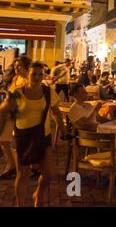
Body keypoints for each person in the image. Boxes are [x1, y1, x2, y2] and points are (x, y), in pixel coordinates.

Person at [0, 62, 66, 207]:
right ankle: (20, 204)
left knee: (48, 174)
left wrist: (64, 131)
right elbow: (3, 112)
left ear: (43, 75)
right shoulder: (18, 93)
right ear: (27, 74)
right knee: (23, 175)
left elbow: (57, 113)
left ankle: (39, 193)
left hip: (43, 136)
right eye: (33, 74)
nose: (37, 77)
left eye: (40, 74)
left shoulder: (48, 92)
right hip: (22, 136)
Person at [0, 56, 31, 180]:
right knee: (3, 139)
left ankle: (16, 166)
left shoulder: (29, 80)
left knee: (15, 143)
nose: (16, 68)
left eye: (19, 66)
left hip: (21, 113)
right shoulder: (16, 78)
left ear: (26, 67)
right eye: (15, 66)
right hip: (11, 113)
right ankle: (12, 164)